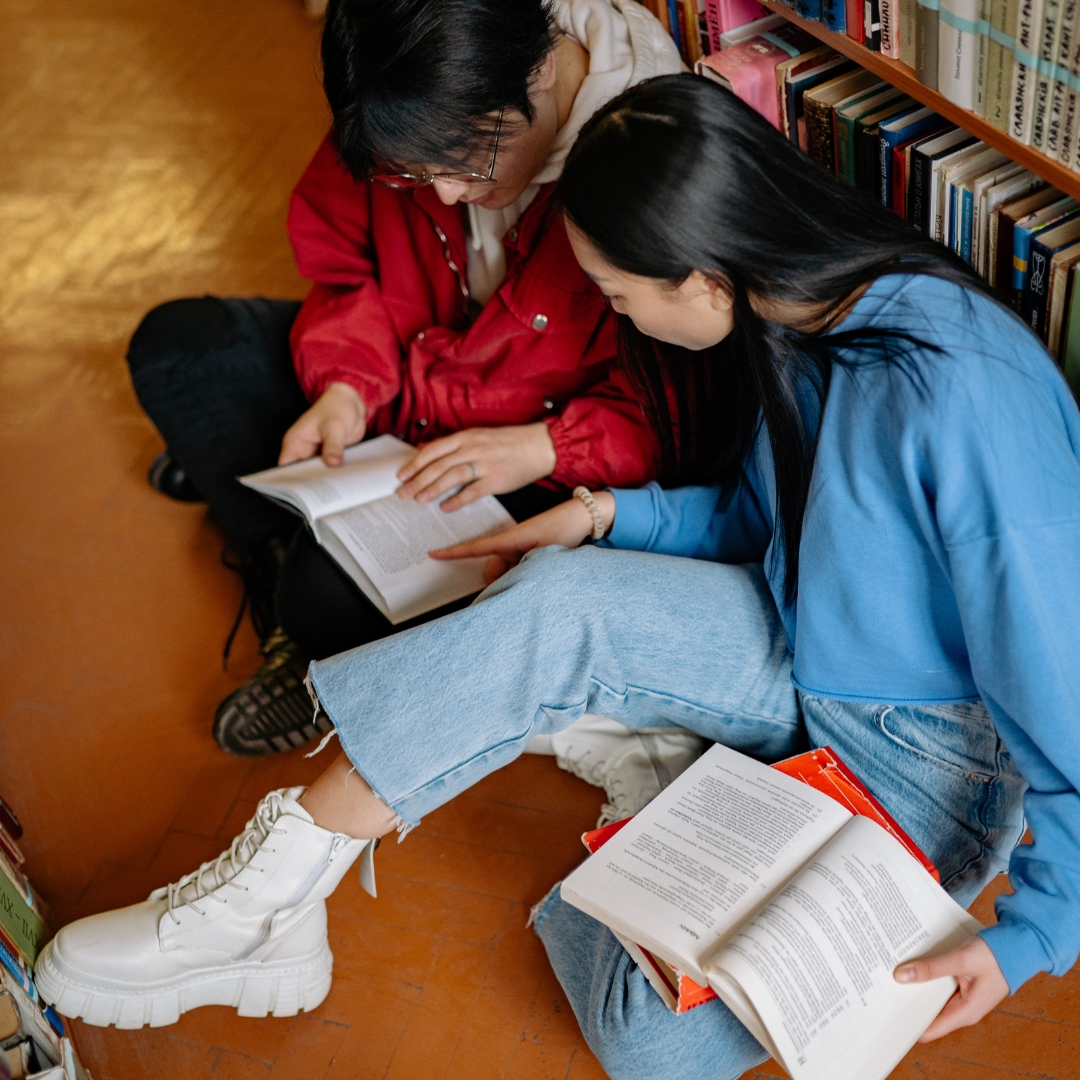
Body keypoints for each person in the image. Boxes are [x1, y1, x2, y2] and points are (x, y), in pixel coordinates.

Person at [37, 75, 1080, 1080]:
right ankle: (264, 903)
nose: (618, 319)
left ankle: (686, 789)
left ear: (702, 280)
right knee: (560, 599)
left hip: (923, 754)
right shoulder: (792, 311)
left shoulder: (962, 396)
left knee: (645, 1039)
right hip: (789, 645)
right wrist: (600, 516)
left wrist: (1031, 935)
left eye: (622, 296)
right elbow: (775, 526)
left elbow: (1064, 690)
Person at [128, 0, 682, 757]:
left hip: (533, 452)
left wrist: (547, 447)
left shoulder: (648, 161)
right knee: (178, 348)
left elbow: (682, 406)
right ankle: (276, 548)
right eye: (413, 175)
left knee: (321, 599)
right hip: (405, 392)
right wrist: (346, 387)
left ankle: (286, 585)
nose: (447, 193)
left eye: (469, 158)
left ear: (542, 67)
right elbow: (346, 265)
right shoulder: (402, 99)